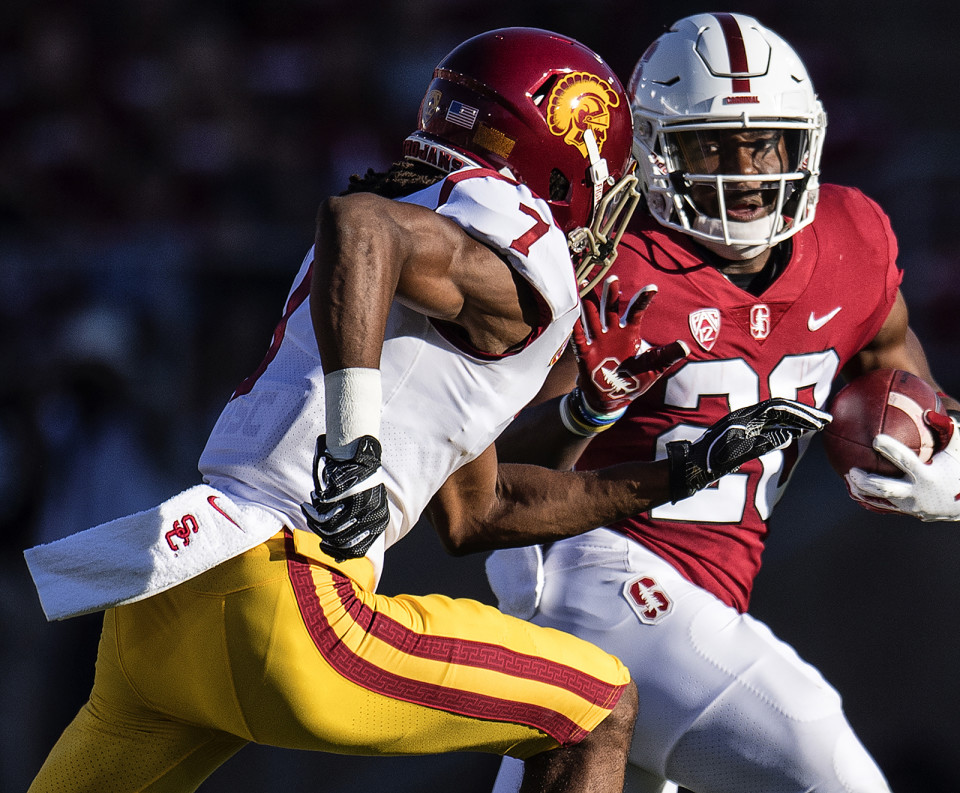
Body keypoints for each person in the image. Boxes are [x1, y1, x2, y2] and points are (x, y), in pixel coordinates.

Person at [22, 27, 830, 793]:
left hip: (167, 597)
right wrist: (355, 440)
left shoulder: (432, 231)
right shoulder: (516, 237)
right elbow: (361, 226)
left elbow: (479, 511)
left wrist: (678, 469)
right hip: (288, 604)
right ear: (565, 159)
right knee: (596, 707)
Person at [486, 13, 960, 793]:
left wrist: (955, 453)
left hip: (705, 600)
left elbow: (899, 367)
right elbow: (489, 480)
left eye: (765, 144)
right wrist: (588, 404)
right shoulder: (608, 263)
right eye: (710, 146)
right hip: (591, 572)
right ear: (653, 150)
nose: (745, 172)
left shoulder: (850, 239)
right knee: (827, 765)